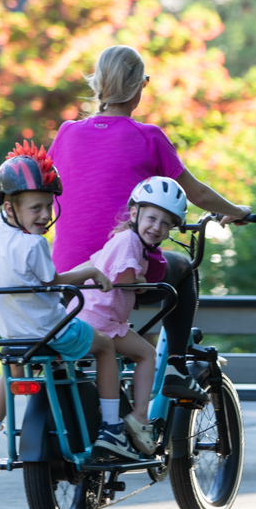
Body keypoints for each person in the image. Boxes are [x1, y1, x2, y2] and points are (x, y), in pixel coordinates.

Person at [48, 45, 253, 403]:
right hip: (122, 272)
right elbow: (198, 195)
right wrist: (234, 209)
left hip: (68, 274)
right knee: (185, 269)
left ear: (98, 84)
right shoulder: (148, 136)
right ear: (140, 87)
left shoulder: (65, 133)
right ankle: (176, 365)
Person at [0, 141, 141, 464]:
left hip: (15, 334)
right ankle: (112, 427)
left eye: (48, 206)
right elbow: (53, 281)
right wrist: (91, 270)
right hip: (51, 331)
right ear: (11, 208)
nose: (45, 215)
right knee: (104, 346)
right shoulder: (33, 244)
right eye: (35, 208)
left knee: (12, 370)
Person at [78, 177, 188, 455]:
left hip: (88, 316)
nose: (157, 227)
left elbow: (93, 264)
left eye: (166, 223)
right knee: (147, 355)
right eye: (152, 218)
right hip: (103, 321)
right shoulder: (129, 241)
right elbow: (125, 280)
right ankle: (139, 417)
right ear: (135, 213)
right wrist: (141, 280)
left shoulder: (122, 239)